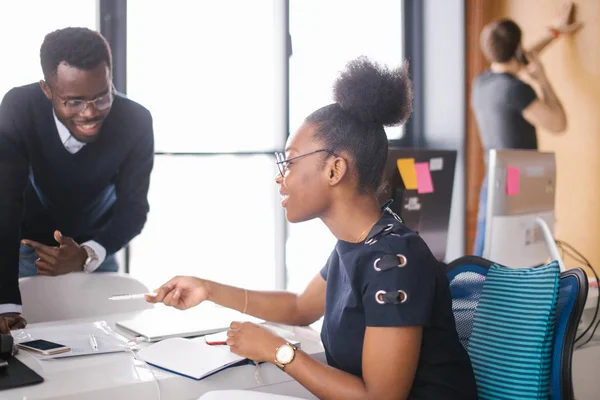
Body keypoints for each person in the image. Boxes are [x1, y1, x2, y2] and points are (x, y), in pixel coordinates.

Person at [148, 57, 477, 399]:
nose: (280, 176)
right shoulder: (356, 246)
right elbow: (300, 307)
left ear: (335, 170)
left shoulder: (394, 260)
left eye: (289, 161)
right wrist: (207, 289)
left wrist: (278, 352)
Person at [0, 27, 154, 333]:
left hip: (95, 250)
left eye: (102, 96)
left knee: (105, 349)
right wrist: (6, 303)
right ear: (47, 90)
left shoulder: (136, 120)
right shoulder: (20, 107)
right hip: (27, 250)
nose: (90, 113)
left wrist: (86, 255)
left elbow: (134, 210)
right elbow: (6, 200)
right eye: (74, 101)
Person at [471, 2, 582, 256]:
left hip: (495, 178)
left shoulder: (482, 83)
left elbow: (521, 57)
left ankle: (476, 295)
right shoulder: (517, 90)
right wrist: (541, 78)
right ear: (517, 48)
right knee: (520, 257)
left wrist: (554, 33)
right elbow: (558, 123)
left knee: (486, 253)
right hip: (518, 184)